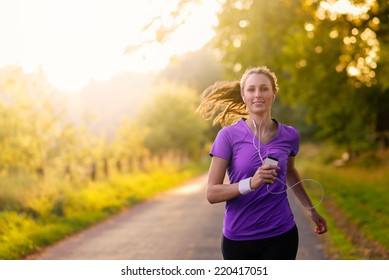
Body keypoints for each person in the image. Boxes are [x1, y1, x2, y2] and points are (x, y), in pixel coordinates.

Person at [197, 66, 327, 260]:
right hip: (239, 238)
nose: (258, 94)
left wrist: (311, 210)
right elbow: (212, 193)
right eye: (251, 89)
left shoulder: (290, 135)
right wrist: (251, 183)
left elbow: (290, 172)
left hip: (281, 234)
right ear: (243, 95)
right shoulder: (228, 136)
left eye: (264, 88)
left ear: (273, 94)